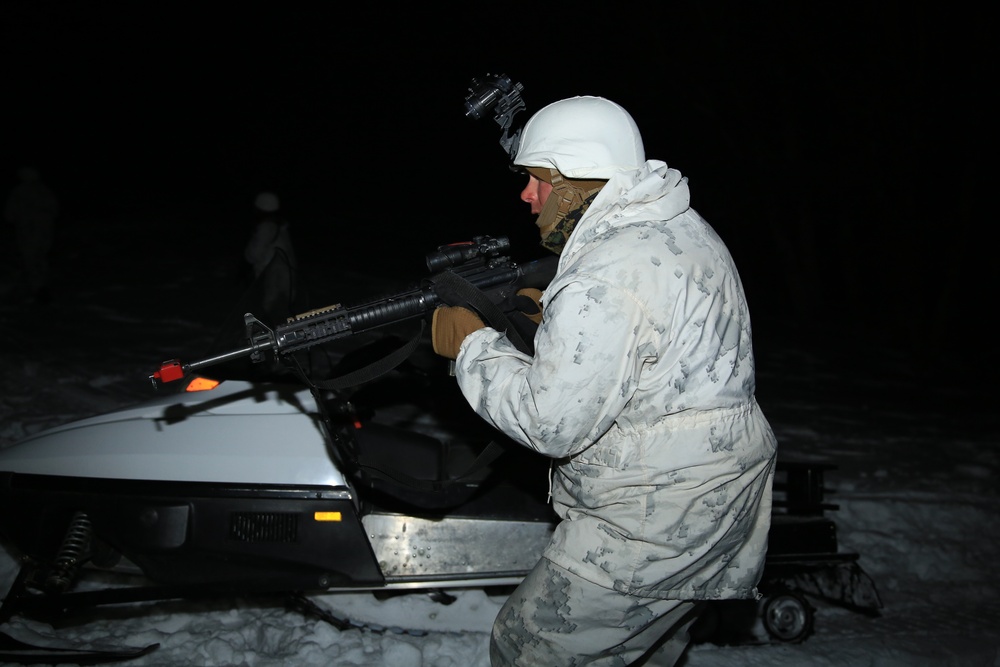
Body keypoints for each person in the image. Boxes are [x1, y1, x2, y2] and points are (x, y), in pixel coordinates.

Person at [430, 96, 778, 666]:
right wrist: (555, 322)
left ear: (577, 181)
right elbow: (652, 338)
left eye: (538, 180)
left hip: (653, 518)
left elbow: (550, 422)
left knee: (529, 650)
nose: (527, 195)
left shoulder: (606, 273)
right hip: (712, 496)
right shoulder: (670, 224)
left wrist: (472, 345)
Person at [4, 166, 59, 305]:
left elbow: (9, 215)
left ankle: (38, 289)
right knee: (40, 257)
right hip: (43, 230)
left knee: (31, 258)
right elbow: (55, 210)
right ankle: (42, 287)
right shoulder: (44, 190)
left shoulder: (19, 192)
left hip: (29, 231)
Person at [243, 191, 298, 323]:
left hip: (273, 281)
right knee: (280, 315)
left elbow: (254, 253)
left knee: (273, 316)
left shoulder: (266, 227)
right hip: (284, 279)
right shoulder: (281, 227)